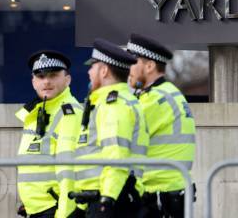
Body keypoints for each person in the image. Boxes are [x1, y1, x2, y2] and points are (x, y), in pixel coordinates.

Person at [71, 38, 148, 218]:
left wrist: (107, 201)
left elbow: (116, 157)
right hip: (100, 198)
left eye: (93, 67)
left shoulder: (114, 105)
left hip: (112, 200)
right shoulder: (105, 103)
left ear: (104, 71)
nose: (89, 72)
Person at [126, 34, 196, 218]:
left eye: (132, 62)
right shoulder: (168, 93)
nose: (127, 69)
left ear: (149, 66)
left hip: (158, 195)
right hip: (169, 193)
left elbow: (121, 136)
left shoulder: (155, 99)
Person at [16, 50, 84, 218]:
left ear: (67, 80)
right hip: (37, 210)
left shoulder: (69, 113)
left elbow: (70, 170)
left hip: (56, 210)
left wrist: (64, 213)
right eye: (40, 76)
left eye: (53, 75)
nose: (46, 81)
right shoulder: (37, 112)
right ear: (33, 82)